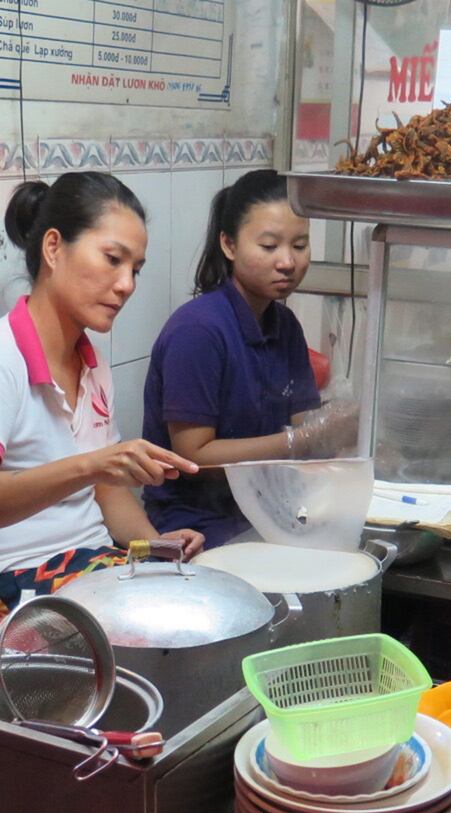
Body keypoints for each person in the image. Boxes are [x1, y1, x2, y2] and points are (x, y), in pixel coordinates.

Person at [0, 171, 205, 631]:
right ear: (53, 248)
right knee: (157, 617)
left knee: (191, 589)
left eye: (135, 269)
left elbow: (108, 491)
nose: (126, 284)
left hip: (89, 561)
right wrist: (93, 465)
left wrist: (158, 549)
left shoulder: (92, 368)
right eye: (113, 259)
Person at [140, 169, 357, 548]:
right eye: (269, 246)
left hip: (267, 509)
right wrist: (300, 441)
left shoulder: (283, 323)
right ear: (228, 244)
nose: (287, 262)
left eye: (300, 246)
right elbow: (194, 456)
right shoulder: (199, 330)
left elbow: (303, 422)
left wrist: (342, 427)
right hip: (197, 524)